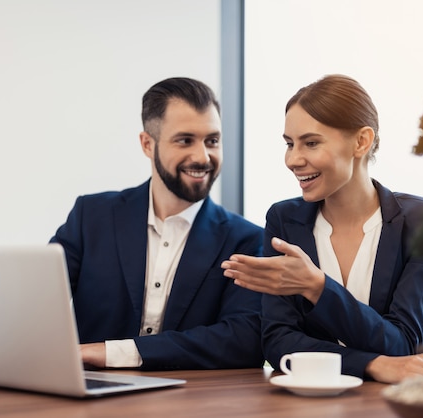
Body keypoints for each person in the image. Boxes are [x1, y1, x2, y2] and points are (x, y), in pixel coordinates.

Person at [221, 74, 423, 383]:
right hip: (302, 403)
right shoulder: (283, 219)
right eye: (289, 144)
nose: (293, 159)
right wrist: (372, 365)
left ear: (361, 141)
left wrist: (317, 287)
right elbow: (277, 344)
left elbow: (401, 343)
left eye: (311, 143)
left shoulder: (422, 220)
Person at [50, 77, 264, 370]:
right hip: (91, 400)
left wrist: (115, 353)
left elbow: (243, 340)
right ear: (147, 144)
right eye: (185, 140)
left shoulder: (248, 240)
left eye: (212, 141)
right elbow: (38, 307)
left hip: (192, 402)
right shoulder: (91, 216)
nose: (202, 156)